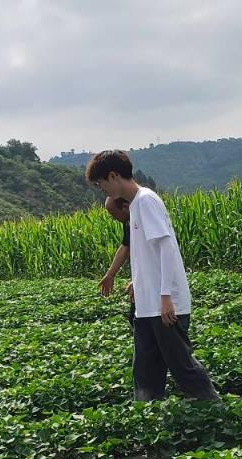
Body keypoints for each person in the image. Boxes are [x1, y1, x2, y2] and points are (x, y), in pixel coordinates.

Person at [86, 150, 220, 402]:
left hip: (164, 305)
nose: (101, 189)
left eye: (100, 183)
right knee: (145, 370)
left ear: (113, 175)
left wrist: (166, 296)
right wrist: (138, 281)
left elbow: (166, 247)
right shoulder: (135, 205)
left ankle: (214, 410)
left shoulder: (146, 201)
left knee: (182, 366)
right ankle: (146, 421)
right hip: (146, 307)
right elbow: (146, 254)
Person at [99, 196, 135, 327]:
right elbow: (125, 246)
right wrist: (110, 274)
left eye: (113, 214)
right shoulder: (128, 222)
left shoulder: (143, 219)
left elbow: (157, 252)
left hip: (158, 290)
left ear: (125, 208)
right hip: (143, 283)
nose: (113, 218)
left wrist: (140, 280)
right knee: (135, 320)